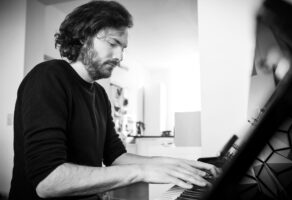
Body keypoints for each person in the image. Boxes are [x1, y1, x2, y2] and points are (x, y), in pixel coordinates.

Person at [9, 1, 220, 200]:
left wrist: (175, 164)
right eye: (113, 43)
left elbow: (115, 156)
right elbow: (48, 181)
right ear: (83, 36)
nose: (120, 56)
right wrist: (141, 172)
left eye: (124, 48)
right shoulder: (49, 76)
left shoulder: (100, 95)